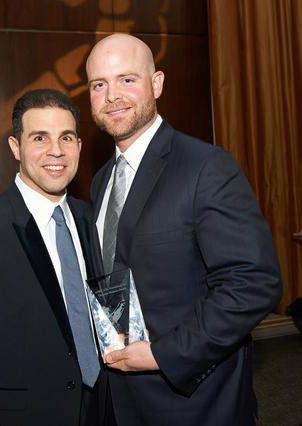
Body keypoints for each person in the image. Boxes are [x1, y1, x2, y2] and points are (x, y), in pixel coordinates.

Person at [85, 33, 282, 426]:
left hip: (196, 401)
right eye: (99, 84)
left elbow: (254, 282)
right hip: (125, 398)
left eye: (127, 79)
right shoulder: (102, 179)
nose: (112, 96)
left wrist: (164, 354)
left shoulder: (205, 166)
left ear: (156, 84)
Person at [0, 89, 104, 426]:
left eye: (66, 137)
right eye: (40, 137)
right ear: (16, 147)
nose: (56, 151)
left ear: (79, 146)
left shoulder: (91, 218)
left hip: (100, 408)